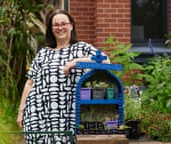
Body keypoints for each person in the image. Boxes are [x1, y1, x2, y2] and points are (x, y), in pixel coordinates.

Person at [17, 9, 110, 144]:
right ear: (51, 29)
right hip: (38, 113)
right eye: (56, 25)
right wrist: (21, 112)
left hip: (68, 113)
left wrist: (76, 62)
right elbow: (30, 83)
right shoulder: (43, 53)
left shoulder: (81, 48)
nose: (60, 27)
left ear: (71, 25)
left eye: (64, 23)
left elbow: (106, 60)